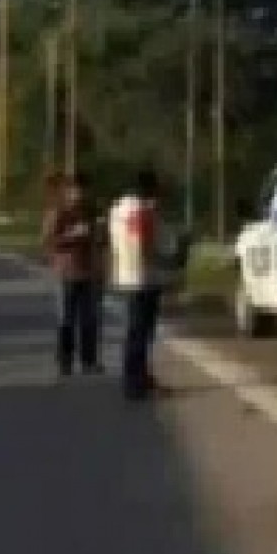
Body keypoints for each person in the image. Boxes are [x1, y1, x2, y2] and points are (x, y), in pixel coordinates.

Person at [107, 169, 176, 400]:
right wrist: (164, 260)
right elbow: (144, 243)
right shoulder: (141, 211)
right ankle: (134, 383)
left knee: (136, 332)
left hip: (125, 275)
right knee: (140, 334)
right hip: (144, 278)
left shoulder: (117, 209)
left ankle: (140, 378)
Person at [41, 171, 103, 378]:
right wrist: (71, 234)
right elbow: (49, 241)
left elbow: (98, 239)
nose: (79, 194)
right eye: (74, 190)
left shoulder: (90, 211)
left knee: (89, 319)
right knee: (66, 319)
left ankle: (89, 361)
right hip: (66, 272)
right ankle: (64, 361)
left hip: (88, 271)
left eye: (82, 190)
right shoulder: (57, 212)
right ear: (67, 191)